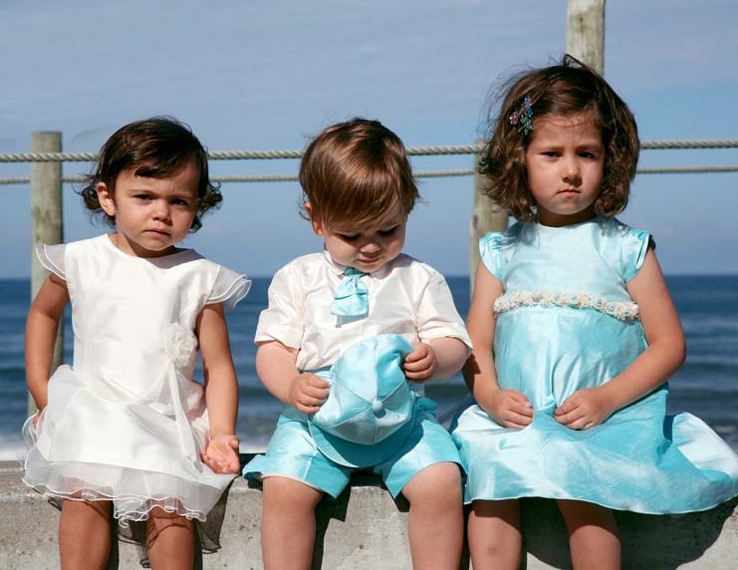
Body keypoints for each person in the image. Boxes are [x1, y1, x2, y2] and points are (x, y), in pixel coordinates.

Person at [450, 55, 738, 570]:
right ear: (519, 158)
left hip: (598, 417)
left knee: (583, 485)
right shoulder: (502, 251)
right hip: (514, 416)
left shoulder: (626, 248)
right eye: (551, 153)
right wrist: (491, 397)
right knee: (488, 479)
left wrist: (606, 398)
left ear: (608, 159)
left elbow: (669, 344)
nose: (571, 170)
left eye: (586, 154)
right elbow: (475, 345)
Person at [242, 117, 472, 570]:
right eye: (351, 235)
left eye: (387, 231)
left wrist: (436, 357)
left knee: (442, 481)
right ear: (316, 218)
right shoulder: (299, 277)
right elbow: (273, 349)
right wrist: (291, 386)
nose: (370, 247)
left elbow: (455, 341)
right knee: (284, 487)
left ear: (406, 209)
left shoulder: (418, 277)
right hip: (316, 421)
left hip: (403, 421)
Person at [22, 117, 251, 570]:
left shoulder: (199, 277)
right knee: (83, 492)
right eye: (144, 197)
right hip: (95, 405)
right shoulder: (82, 259)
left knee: (172, 502)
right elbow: (43, 314)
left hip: (169, 416)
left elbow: (219, 367)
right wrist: (41, 389)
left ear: (197, 206)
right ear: (108, 197)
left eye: (179, 201)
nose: (161, 212)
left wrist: (222, 432)